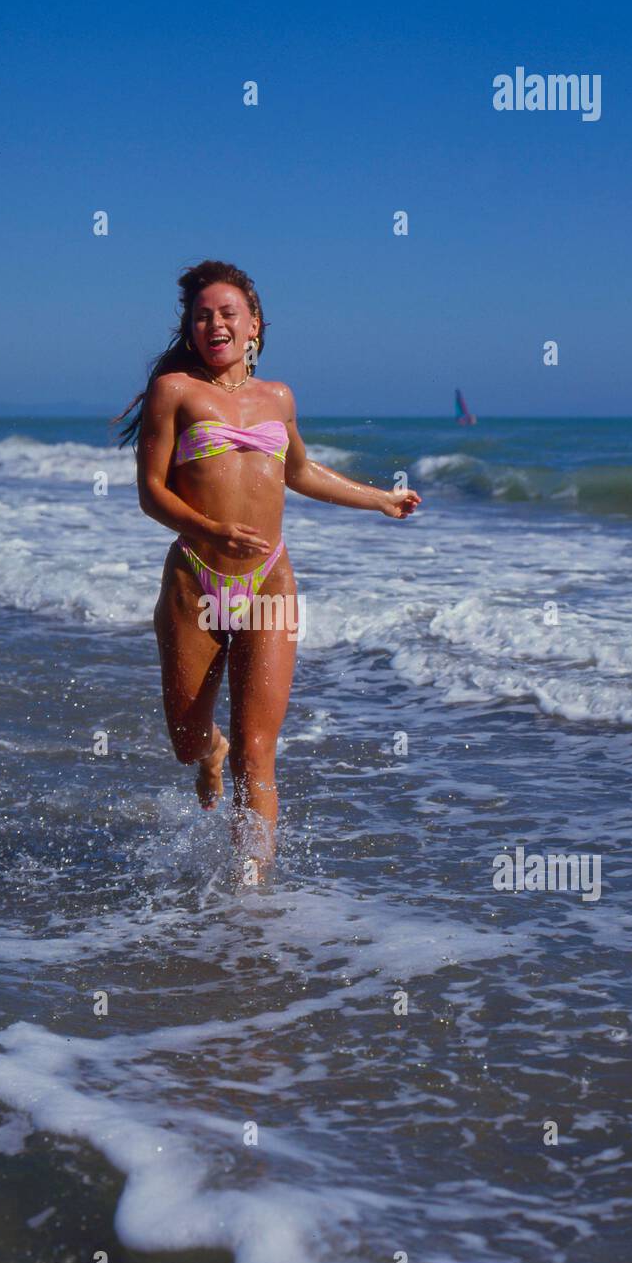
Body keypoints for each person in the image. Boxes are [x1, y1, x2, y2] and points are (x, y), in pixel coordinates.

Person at [113, 260, 420, 873]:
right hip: (195, 577)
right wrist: (211, 528)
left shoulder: (278, 397)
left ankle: (252, 898)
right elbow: (151, 493)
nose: (215, 324)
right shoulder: (174, 392)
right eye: (202, 316)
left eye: (228, 313)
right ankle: (209, 755)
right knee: (187, 741)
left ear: (254, 324)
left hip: (268, 582)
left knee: (258, 752)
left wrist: (379, 498)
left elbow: (301, 471)